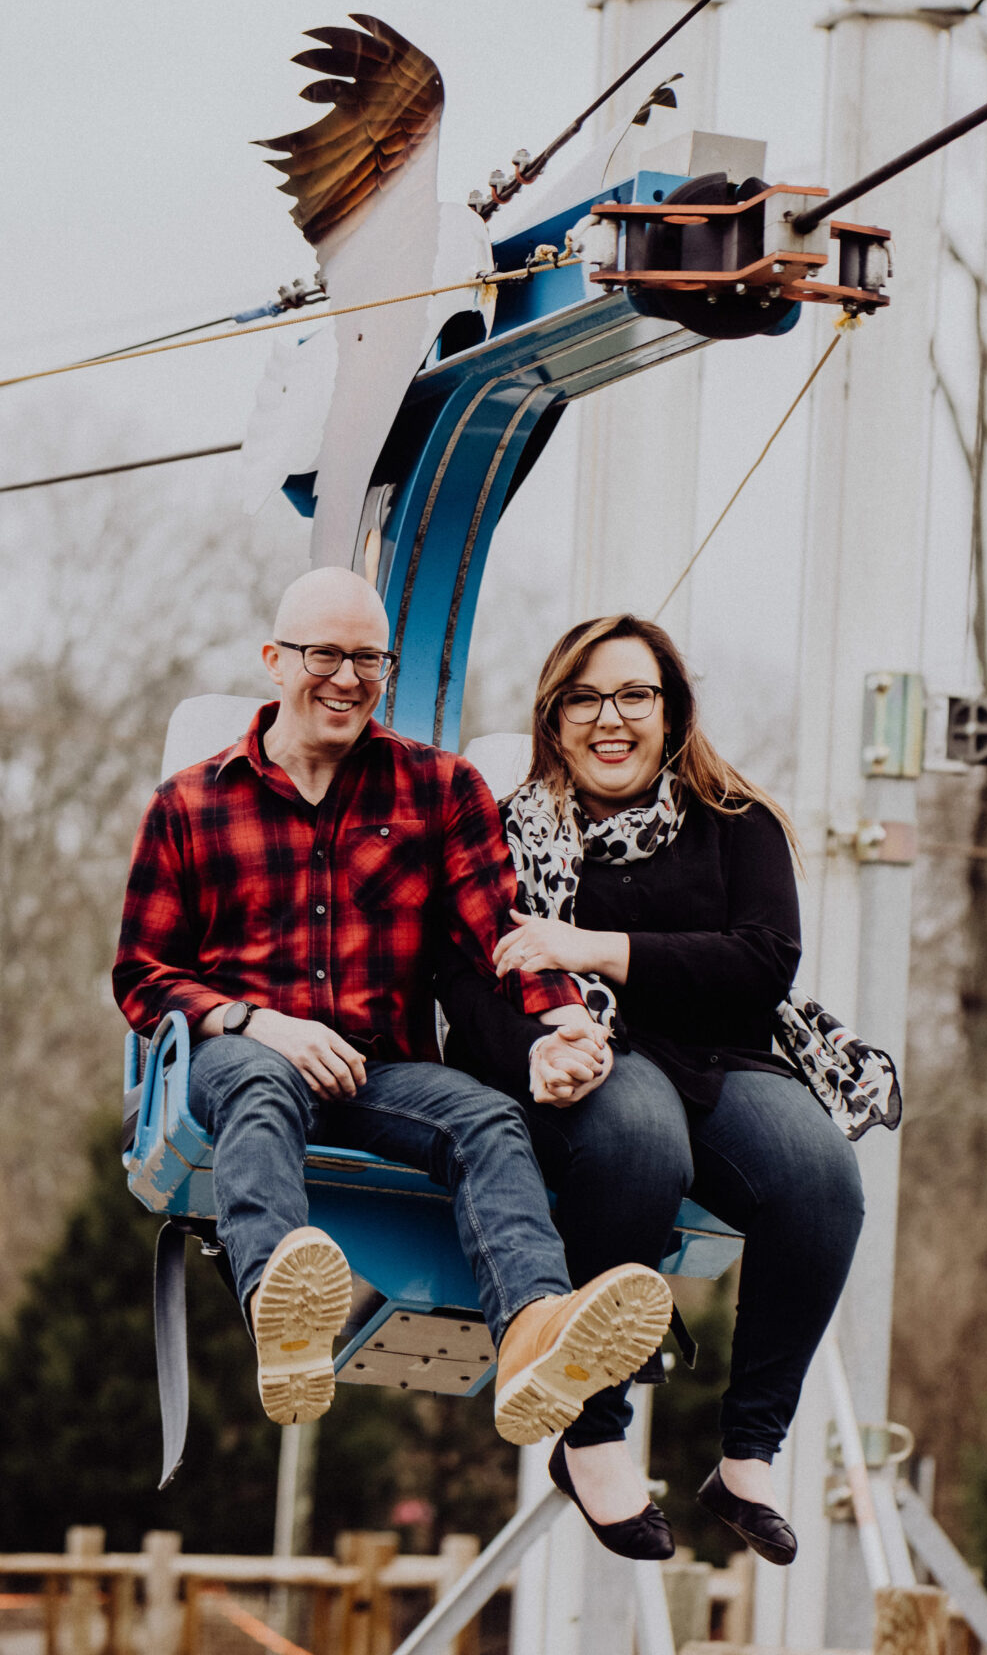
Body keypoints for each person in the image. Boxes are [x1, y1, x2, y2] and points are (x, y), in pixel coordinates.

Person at [113, 567, 671, 1445]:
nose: (346, 679)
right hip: (246, 1048)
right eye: (323, 655)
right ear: (274, 660)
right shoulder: (190, 804)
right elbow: (142, 976)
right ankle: (281, 1311)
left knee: (489, 1120)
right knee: (261, 1087)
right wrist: (260, 1023)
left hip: (379, 1067)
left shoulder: (440, 791)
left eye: (368, 660)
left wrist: (563, 1018)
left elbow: (497, 931)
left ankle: (533, 1330)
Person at [438, 612, 865, 1564]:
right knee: (638, 1141)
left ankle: (749, 1453)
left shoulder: (737, 823)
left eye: (635, 695)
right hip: (584, 1048)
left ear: (671, 711)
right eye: (584, 699)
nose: (611, 719)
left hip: (722, 1059)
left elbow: (762, 962)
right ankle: (591, 1434)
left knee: (820, 1175)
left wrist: (592, 947)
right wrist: (538, 1055)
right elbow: (470, 978)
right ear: (554, 720)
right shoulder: (510, 833)